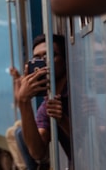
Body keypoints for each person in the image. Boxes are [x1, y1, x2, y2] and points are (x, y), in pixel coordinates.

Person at [15, 34, 71, 164]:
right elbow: (37, 152)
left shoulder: (77, 90)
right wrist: (24, 101)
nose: (44, 63)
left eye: (49, 56)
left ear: (65, 59)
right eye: (37, 59)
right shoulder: (48, 102)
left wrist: (62, 119)